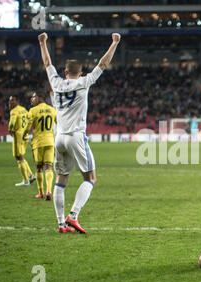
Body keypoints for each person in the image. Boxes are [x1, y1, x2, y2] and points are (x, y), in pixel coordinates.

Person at [38, 32, 121, 234]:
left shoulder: (56, 83)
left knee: (61, 178)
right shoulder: (84, 82)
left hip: (59, 138)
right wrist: (114, 43)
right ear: (80, 73)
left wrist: (43, 43)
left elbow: (48, 62)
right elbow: (102, 64)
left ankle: (60, 224)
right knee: (90, 178)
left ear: (65, 72)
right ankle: (73, 216)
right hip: (76, 136)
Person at [24, 92, 57, 200]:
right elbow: (59, 124)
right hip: (50, 142)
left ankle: (41, 192)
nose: (31, 100)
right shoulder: (52, 109)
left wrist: (24, 134)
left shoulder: (33, 110)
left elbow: (28, 127)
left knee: (39, 168)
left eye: (33, 97)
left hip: (38, 143)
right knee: (48, 167)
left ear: (40, 98)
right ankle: (49, 190)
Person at [8, 95, 36, 187]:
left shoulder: (14, 111)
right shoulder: (24, 109)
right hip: (25, 135)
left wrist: (10, 129)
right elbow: (29, 119)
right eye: (9, 101)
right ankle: (31, 175)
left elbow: (12, 122)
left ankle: (26, 180)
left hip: (18, 135)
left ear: (17, 101)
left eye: (12, 101)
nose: (10, 103)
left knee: (18, 157)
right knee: (21, 157)